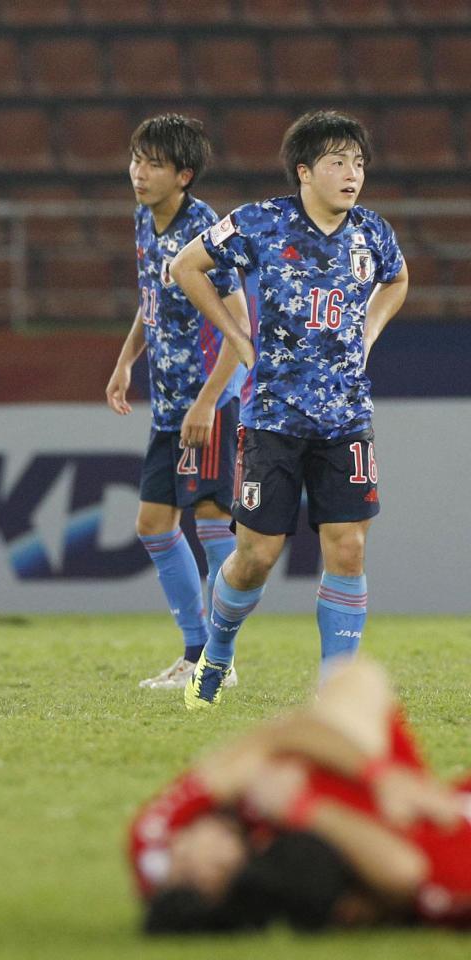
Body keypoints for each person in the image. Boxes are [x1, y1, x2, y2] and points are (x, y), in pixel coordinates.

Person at [170, 110, 409, 708]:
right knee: (256, 557)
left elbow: (398, 279)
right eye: (336, 162)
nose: (351, 174)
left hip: (347, 416)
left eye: (357, 162)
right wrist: (237, 336)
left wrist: (370, 331)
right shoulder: (261, 222)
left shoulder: (372, 232)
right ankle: (216, 658)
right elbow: (186, 266)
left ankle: (336, 694)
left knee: (348, 545)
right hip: (272, 418)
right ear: (304, 171)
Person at [130, 657, 471, 932]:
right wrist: (301, 808)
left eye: (190, 851)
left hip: (382, 808)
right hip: (379, 826)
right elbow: (403, 875)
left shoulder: (164, 830)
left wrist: (382, 777)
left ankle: (212, 657)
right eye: (221, 865)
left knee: (354, 679)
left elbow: (279, 734)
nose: (209, 846)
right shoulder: (274, 845)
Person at [105, 114, 250, 690]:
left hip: (210, 402)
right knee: (153, 526)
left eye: (153, 164)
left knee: (213, 525)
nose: (139, 173)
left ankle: (219, 659)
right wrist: (125, 359)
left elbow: (239, 327)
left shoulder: (208, 230)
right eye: (136, 160)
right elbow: (152, 297)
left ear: (184, 175)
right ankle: (196, 654)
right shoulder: (145, 218)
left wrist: (208, 404)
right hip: (169, 405)